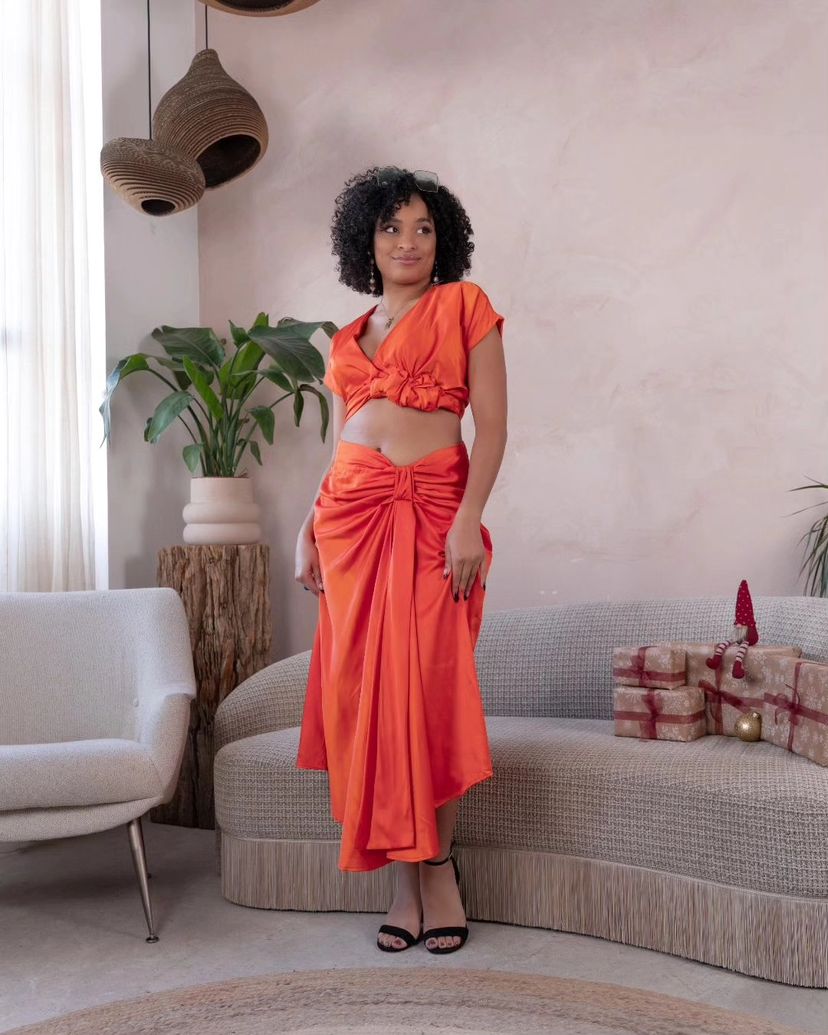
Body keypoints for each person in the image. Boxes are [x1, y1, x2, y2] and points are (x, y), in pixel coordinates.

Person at [294, 166, 507, 955]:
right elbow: (342, 442)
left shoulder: (465, 307)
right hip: (348, 521)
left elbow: (493, 429)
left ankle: (439, 869)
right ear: (367, 243)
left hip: (432, 519)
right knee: (366, 700)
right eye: (391, 228)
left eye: (422, 228)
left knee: (431, 694)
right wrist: (305, 526)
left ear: (442, 238)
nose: (408, 242)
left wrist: (467, 519)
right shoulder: (349, 339)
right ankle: (401, 882)